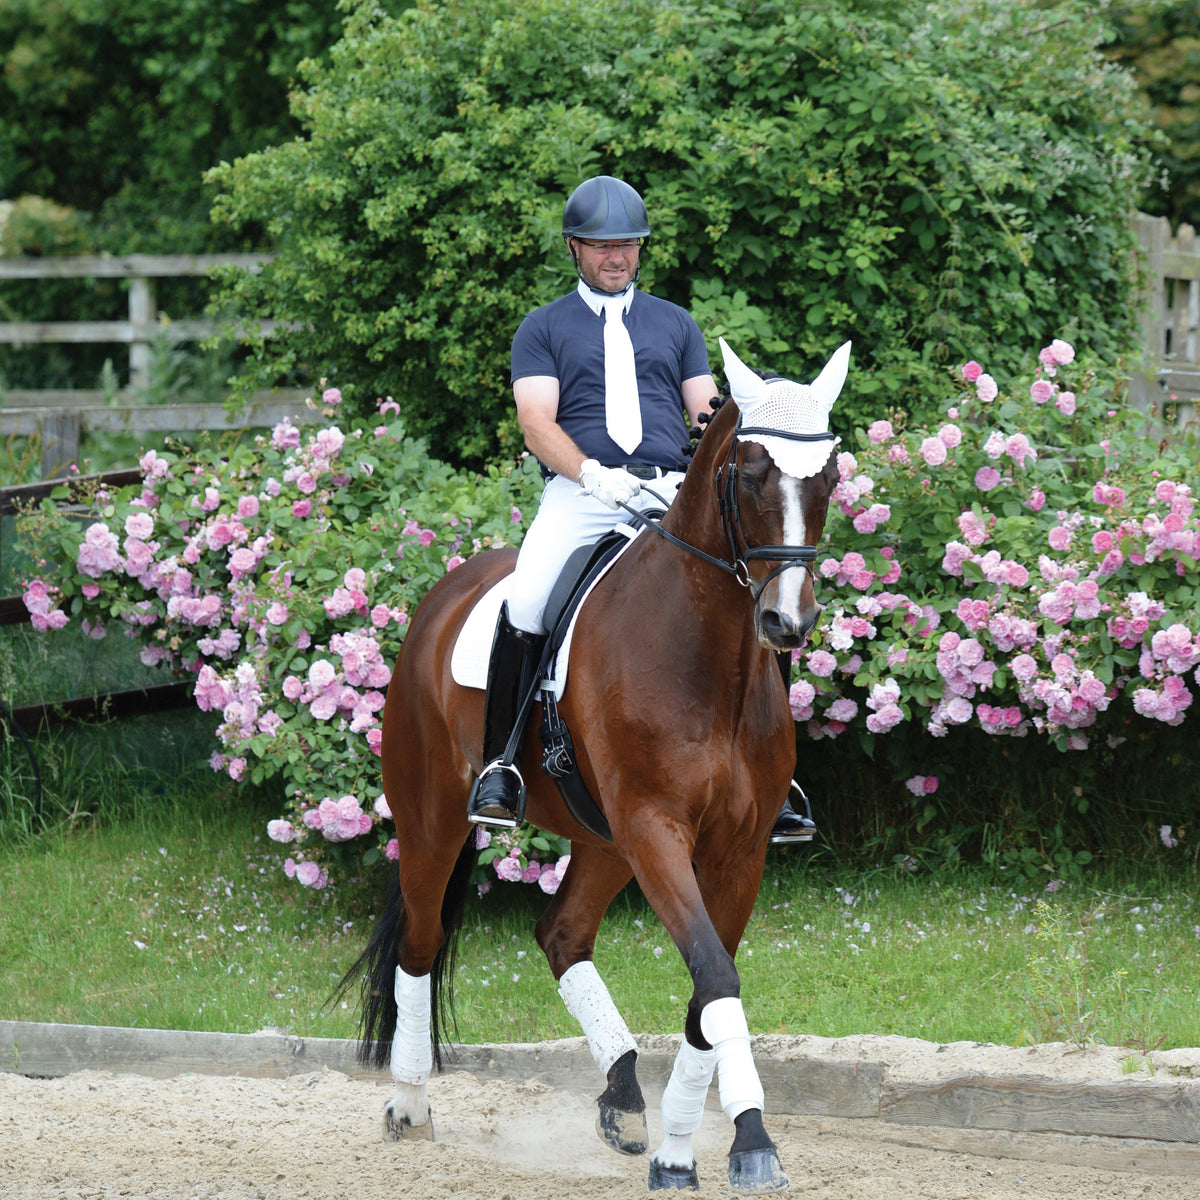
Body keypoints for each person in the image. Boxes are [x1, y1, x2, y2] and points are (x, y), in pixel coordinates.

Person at [467, 175, 816, 845]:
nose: (617, 257)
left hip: (667, 488)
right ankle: (503, 765)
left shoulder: (674, 323)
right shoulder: (543, 328)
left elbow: (707, 414)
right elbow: (536, 422)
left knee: (754, 590)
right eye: (602, 246)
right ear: (575, 248)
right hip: (581, 491)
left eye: (628, 244)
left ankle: (779, 773)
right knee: (529, 600)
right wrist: (592, 476)